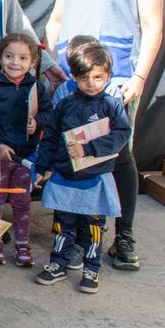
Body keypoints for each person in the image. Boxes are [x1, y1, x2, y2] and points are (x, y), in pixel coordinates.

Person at [44, 0, 163, 271]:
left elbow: (154, 25)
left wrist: (139, 77)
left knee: (117, 154)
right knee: (74, 150)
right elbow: (56, 21)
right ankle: (79, 238)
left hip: (116, 81)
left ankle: (123, 235)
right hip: (72, 79)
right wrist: (53, 63)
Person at [34, 44, 131, 293]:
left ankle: (92, 268)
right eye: (84, 77)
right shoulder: (65, 105)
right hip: (65, 177)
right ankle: (58, 264)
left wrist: (89, 149)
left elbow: (122, 133)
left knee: (93, 228)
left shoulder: (112, 105)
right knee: (62, 225)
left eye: (98, 77)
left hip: (95, 179)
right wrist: (42, 167)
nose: (91, 83)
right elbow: (51, 137)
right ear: (74, 77)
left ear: (108, 76)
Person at [0, 33, 52, 267]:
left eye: (22, 57)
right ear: (0, 58)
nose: (15, 62)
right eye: (9, 56)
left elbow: (50, 116)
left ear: (33, 62)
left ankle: (22, 243)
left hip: (26, 156)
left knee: (22, 200)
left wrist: (37, 122)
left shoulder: (39, 88)